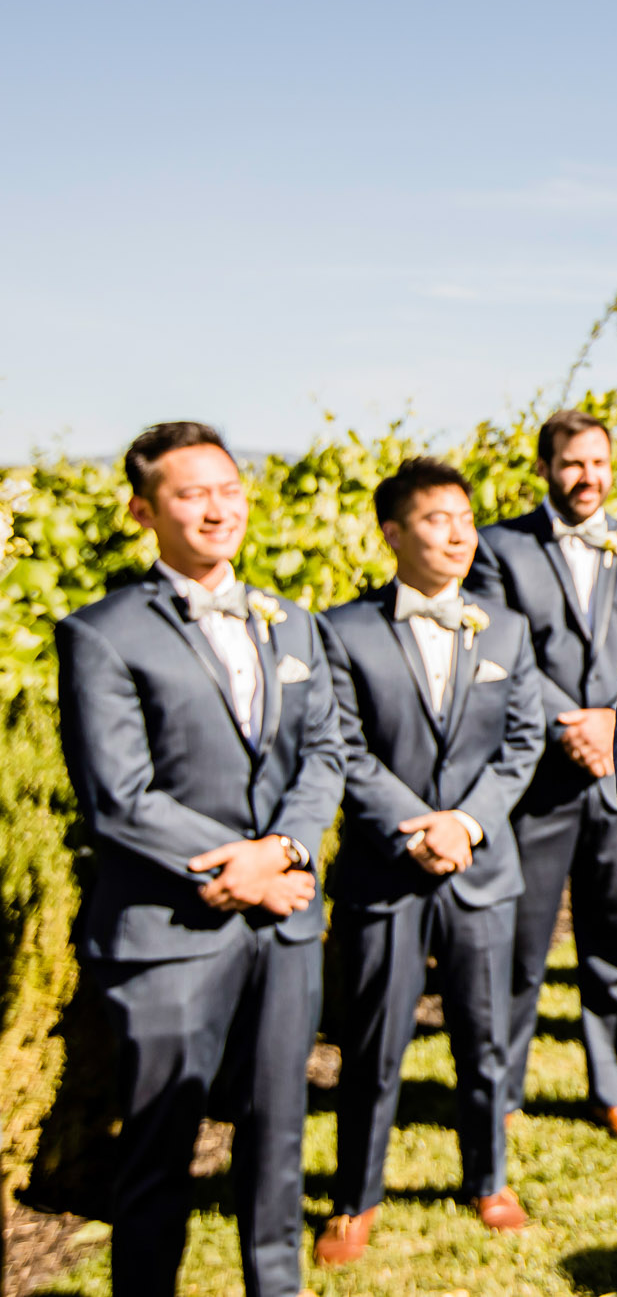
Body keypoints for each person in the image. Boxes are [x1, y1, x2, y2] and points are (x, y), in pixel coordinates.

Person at [55, 422, 344, 1297]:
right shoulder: (101, 633)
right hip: (171, 932)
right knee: (156, 1153)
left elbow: (324, 750)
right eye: (192, 493)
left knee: (277, 1139)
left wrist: (284, 850)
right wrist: (243, 867)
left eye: (229, 487)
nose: (219, 508)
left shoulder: (289, 621)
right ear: (144, 509)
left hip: (285, 923)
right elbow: (119, 795)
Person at [313, 459, 545, 1264]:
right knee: (373, 1042)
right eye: (437, 518)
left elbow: (522, 743)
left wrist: (468, 824)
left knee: (484, 1039)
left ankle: (487, 1177)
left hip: (481, 867)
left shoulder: (505, 629)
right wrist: (419, 828)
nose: (457, 533)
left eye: (464, 517)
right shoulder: (341, 630)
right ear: (391, 532)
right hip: (388, 868)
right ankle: (355, 1195)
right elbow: (342, 746)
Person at [463, 408, 617, 1146]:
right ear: (547, 469)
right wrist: (572, 722)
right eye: (572, 463)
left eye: (598, 463)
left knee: (615, 942)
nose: (587, 477)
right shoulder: (499, 549)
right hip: (540, 781)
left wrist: (614, 720)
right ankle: (507, 1088)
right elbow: (498, 654)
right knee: (522, 949)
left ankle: (613, 1087)